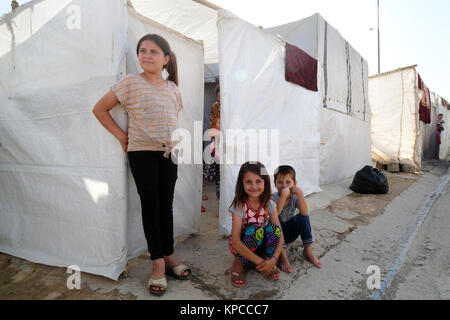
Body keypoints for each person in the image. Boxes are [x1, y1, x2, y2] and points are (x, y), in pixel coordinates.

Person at [92, 34, 191, 296]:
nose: (147, 55)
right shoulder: (130, 83)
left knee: (166, 207)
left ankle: (169, 255)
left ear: (166, 59)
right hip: (142, 154)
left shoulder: (173, 88)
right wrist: (121, 136)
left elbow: (170, 119)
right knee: (152, 206)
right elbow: (99, 109)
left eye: (154, 51)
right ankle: (157, 262)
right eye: (142, 51)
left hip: (169, 155)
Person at [228, 162, 285, 287]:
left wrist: (274, 259)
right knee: (255, 230)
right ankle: (239, 263)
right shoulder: (239, 206)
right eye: (248, 182)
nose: (254, 186)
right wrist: (261, 263)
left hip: (261, 245)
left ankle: (267, 259)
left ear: (265, 182)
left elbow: (280, 235)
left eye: (258, 181)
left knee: (274, 229)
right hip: (243, 246)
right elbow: (236, 242)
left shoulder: (269, 204)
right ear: (242, 184)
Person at [272, 165, 322, 273]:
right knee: (276, 219)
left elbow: (304, 212)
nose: (284, 185)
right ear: (275, 184)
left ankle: (308, 250)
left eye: (288, 182)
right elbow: (276, 214)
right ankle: (282, 256)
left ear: (294, 183)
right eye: (280, 182)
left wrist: (300, 194)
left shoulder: (295, 196)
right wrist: (283, 197)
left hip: (290, 233)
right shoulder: (273, 198)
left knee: (302, 217)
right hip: (277, 236)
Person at [209, 83, 221, 204]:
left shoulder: (232, 106)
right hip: (218, 141)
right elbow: (212, 123)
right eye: (219, 94)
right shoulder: (215, 106)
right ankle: (219, 199)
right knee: (218, 172)